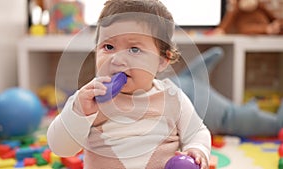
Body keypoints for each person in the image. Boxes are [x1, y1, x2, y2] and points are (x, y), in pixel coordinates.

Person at [47, 0, 211, 169]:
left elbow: (197, 132)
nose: (116, 59)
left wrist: (196, 150)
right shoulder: (89, 100)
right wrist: (78, 113)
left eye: (134, 49)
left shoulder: (172, 97)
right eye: (108, 46)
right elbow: (60, 148)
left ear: (162, 60)